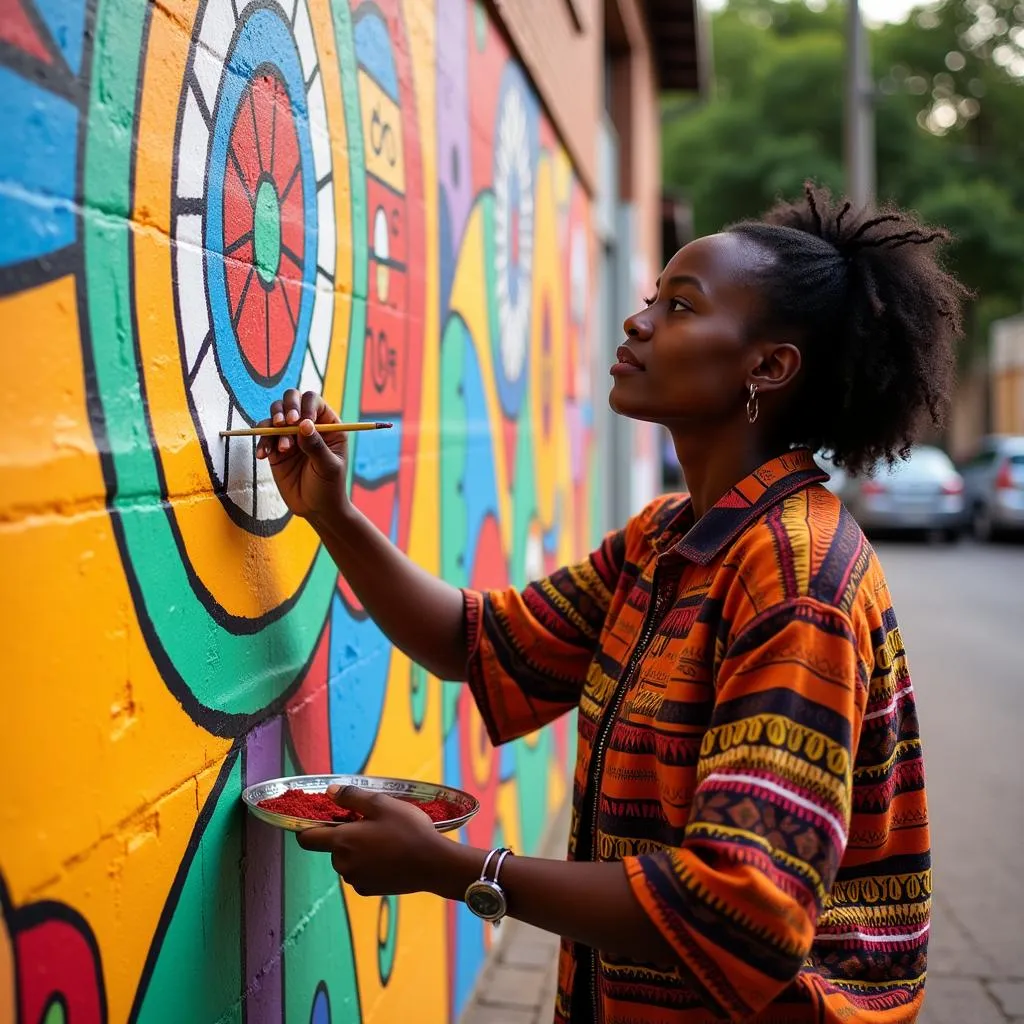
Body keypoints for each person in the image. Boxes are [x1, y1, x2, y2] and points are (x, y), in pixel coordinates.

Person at [256, 184, 968, 1023]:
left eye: (680, 306)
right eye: (649, 301)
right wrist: (333, 514)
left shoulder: (792, 579)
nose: (638, 323)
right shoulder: (670, 538)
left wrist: (458, 871)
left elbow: (740, 912)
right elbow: (479, 644)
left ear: (767, 367)